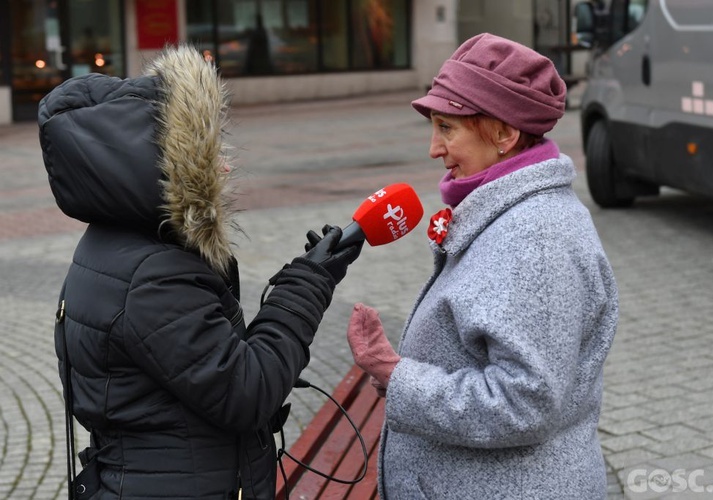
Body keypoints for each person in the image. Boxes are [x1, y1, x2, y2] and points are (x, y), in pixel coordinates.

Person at [39, 44, 361, 499]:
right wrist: (311, 282)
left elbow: (211, 367)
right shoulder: (153, 276)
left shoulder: (115, 241)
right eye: (206, 158)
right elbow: (248, 390)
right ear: (156, 169)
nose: (225, 167)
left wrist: (305, 272)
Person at [346, 33, 618, 499]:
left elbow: (525, 402)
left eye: (447, 128)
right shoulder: (514, 215)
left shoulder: (535, 239)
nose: (434, 148)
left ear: (505, 134)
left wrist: (397, 375)